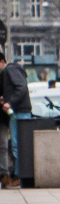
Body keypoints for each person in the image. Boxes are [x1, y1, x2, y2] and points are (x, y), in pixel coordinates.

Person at [0, 50, 31, 188]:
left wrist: (9, 103)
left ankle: (19, 175)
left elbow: (21, 87)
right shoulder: (14, 70)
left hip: (18, 111)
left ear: (2, 62)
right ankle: (19, 174)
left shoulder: (9, 70)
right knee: (18, 144)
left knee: (17, 145)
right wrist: (5, 99)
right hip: (20, 111)